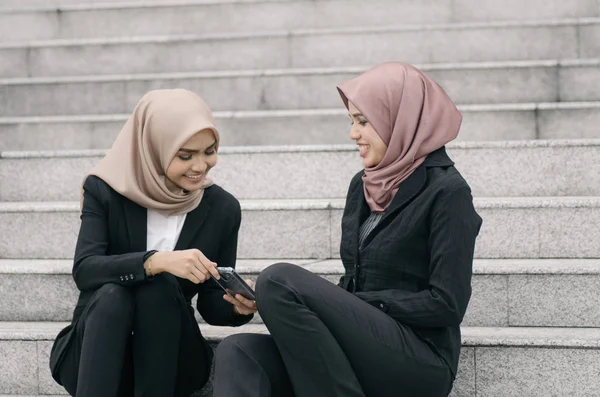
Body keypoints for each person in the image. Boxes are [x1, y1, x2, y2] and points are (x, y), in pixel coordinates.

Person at [212, 62, 483, 397]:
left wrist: (354, 305)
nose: (353, 133)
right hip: (357, 350)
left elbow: (447, 304)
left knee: (278, 280)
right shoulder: (364, 185)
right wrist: (325, 304)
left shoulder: (447, 192)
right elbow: (353, 284)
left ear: (398, 119)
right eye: (352, 121)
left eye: (363, 121)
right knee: (237, 352)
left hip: (418, 358)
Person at [48, 89, 257, 397]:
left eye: (209, 151)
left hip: (169, 356)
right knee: (112, 295)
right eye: (185, 156)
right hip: (97, 351)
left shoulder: (222, 208)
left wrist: (238, 307)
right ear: (153, 149)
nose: (200, 166)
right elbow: (86, 270)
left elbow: (211, 304)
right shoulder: (106, 191)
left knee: (159, 290)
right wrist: (156, 261)